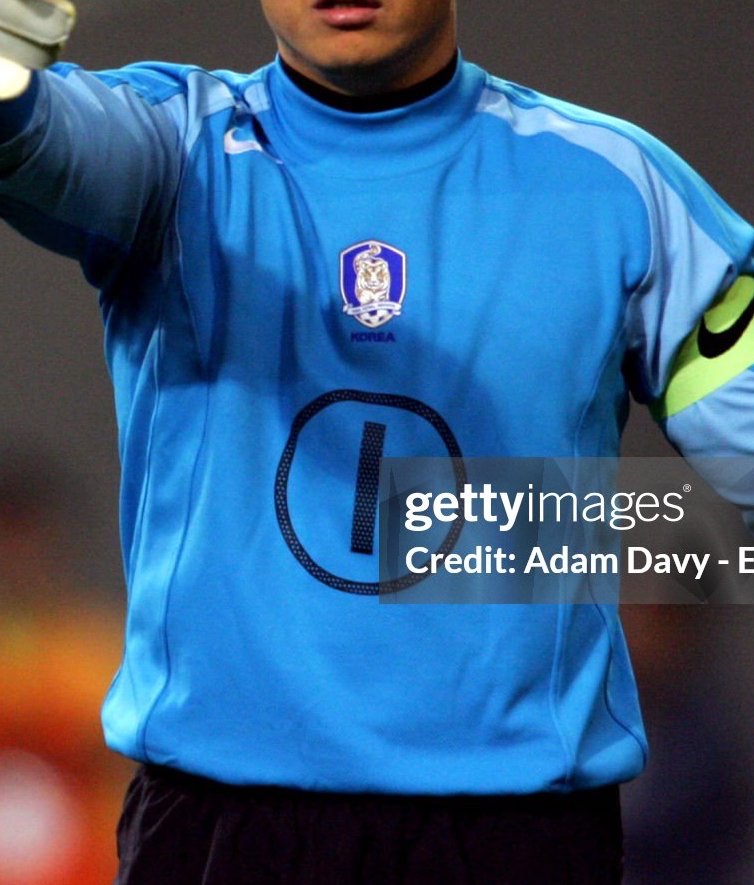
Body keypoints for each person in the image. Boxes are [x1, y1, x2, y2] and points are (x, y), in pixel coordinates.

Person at [1, 1, 753, 882]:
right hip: (217, 832)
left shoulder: (617, 188)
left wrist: (586, 531)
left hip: (519, 839)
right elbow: (40, 141)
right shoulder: (170, 149)